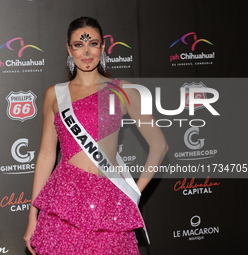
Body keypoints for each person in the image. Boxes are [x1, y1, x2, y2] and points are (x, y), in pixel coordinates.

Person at [24, 16, 168, 255]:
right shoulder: (55, 94)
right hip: (65, 202)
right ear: (69, 49)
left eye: (93, 43)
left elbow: (159, 146)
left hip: (109, 200)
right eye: (79, 45)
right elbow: (46, 155)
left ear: (103, 46)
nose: (86, 51)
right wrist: (32, 216)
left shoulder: (123, 90)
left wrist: (133, 193)